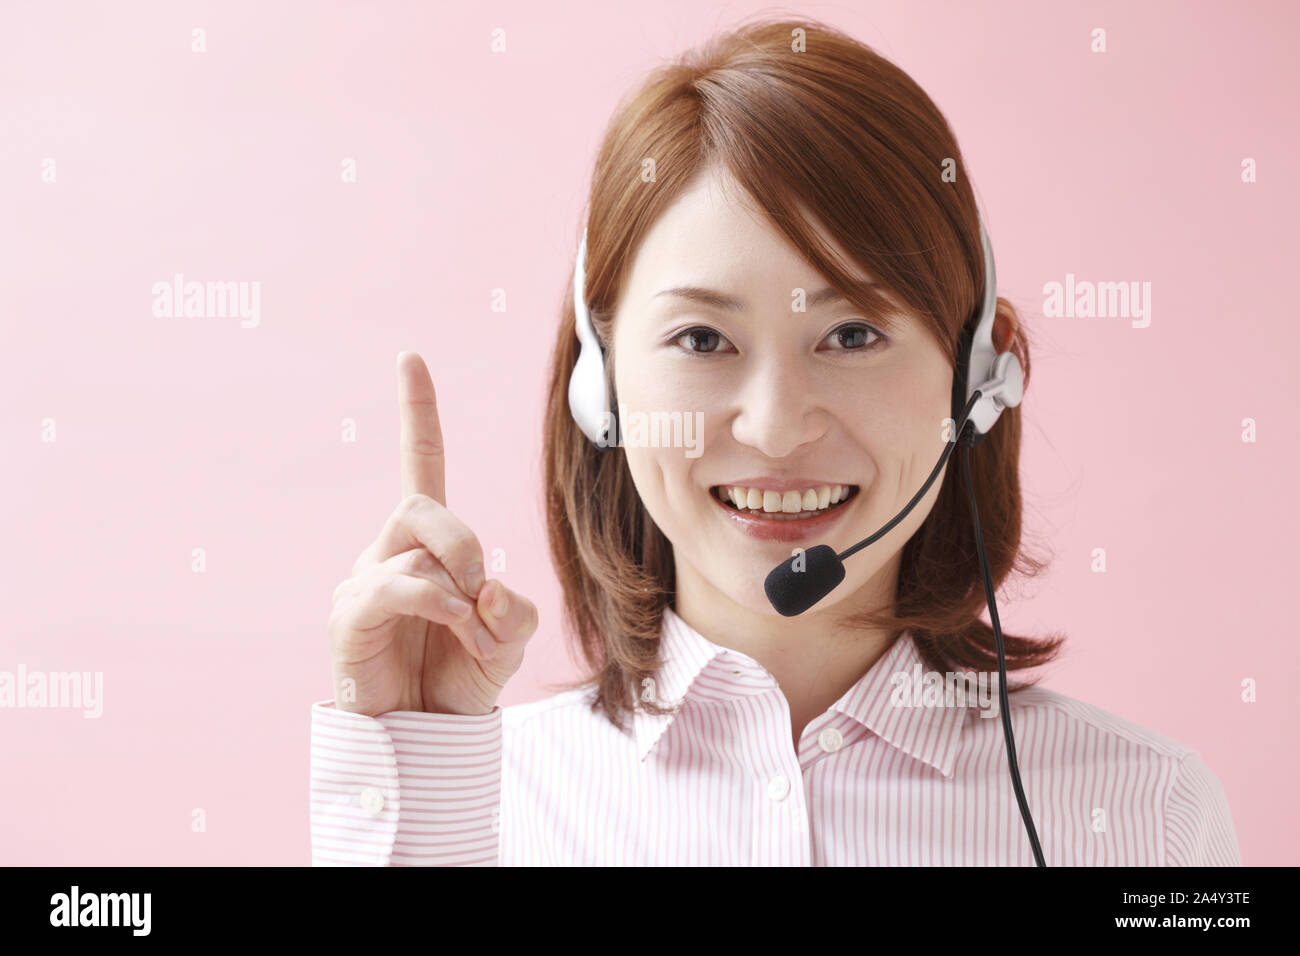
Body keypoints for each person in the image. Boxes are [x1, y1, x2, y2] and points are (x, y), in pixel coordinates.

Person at [309, 18, 1241, 866]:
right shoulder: (478, 800)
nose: (777, 425)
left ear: (973, 380)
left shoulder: (1147, 818)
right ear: (602, 388)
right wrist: (414, 777)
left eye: (852, 335)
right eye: (703, 340)